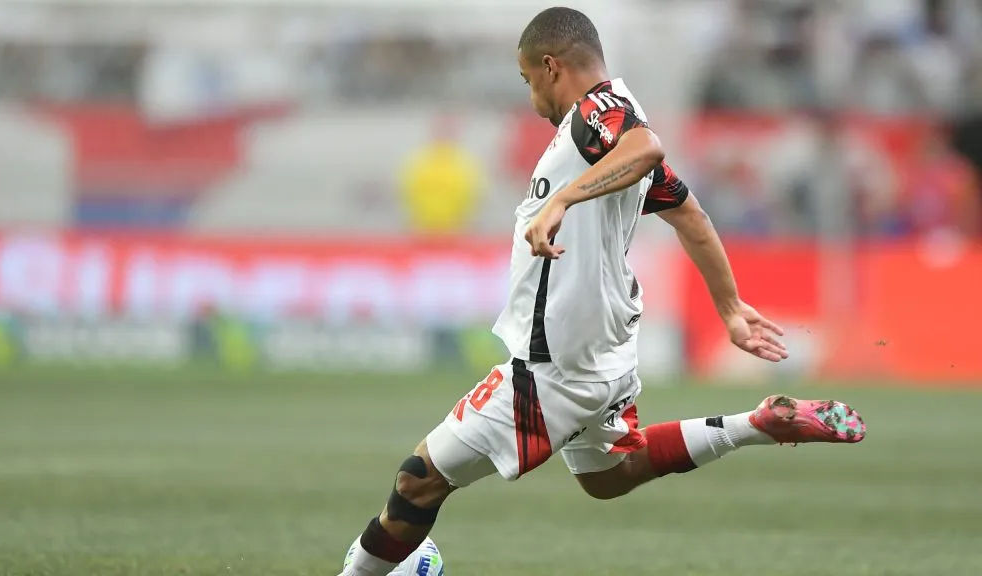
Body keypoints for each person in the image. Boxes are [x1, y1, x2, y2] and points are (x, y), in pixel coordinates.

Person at [337, 8, 866, 576]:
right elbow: (691, 215)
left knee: (416, 485)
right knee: (610, 477)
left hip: (550, 369)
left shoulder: (601, 112)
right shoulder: (601, 139)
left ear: (549, 67)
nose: (530, 94)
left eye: (527, 79)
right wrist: (730, 307)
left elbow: (647, 146)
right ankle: (752, 425)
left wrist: (560, 199)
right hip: (603, 360)